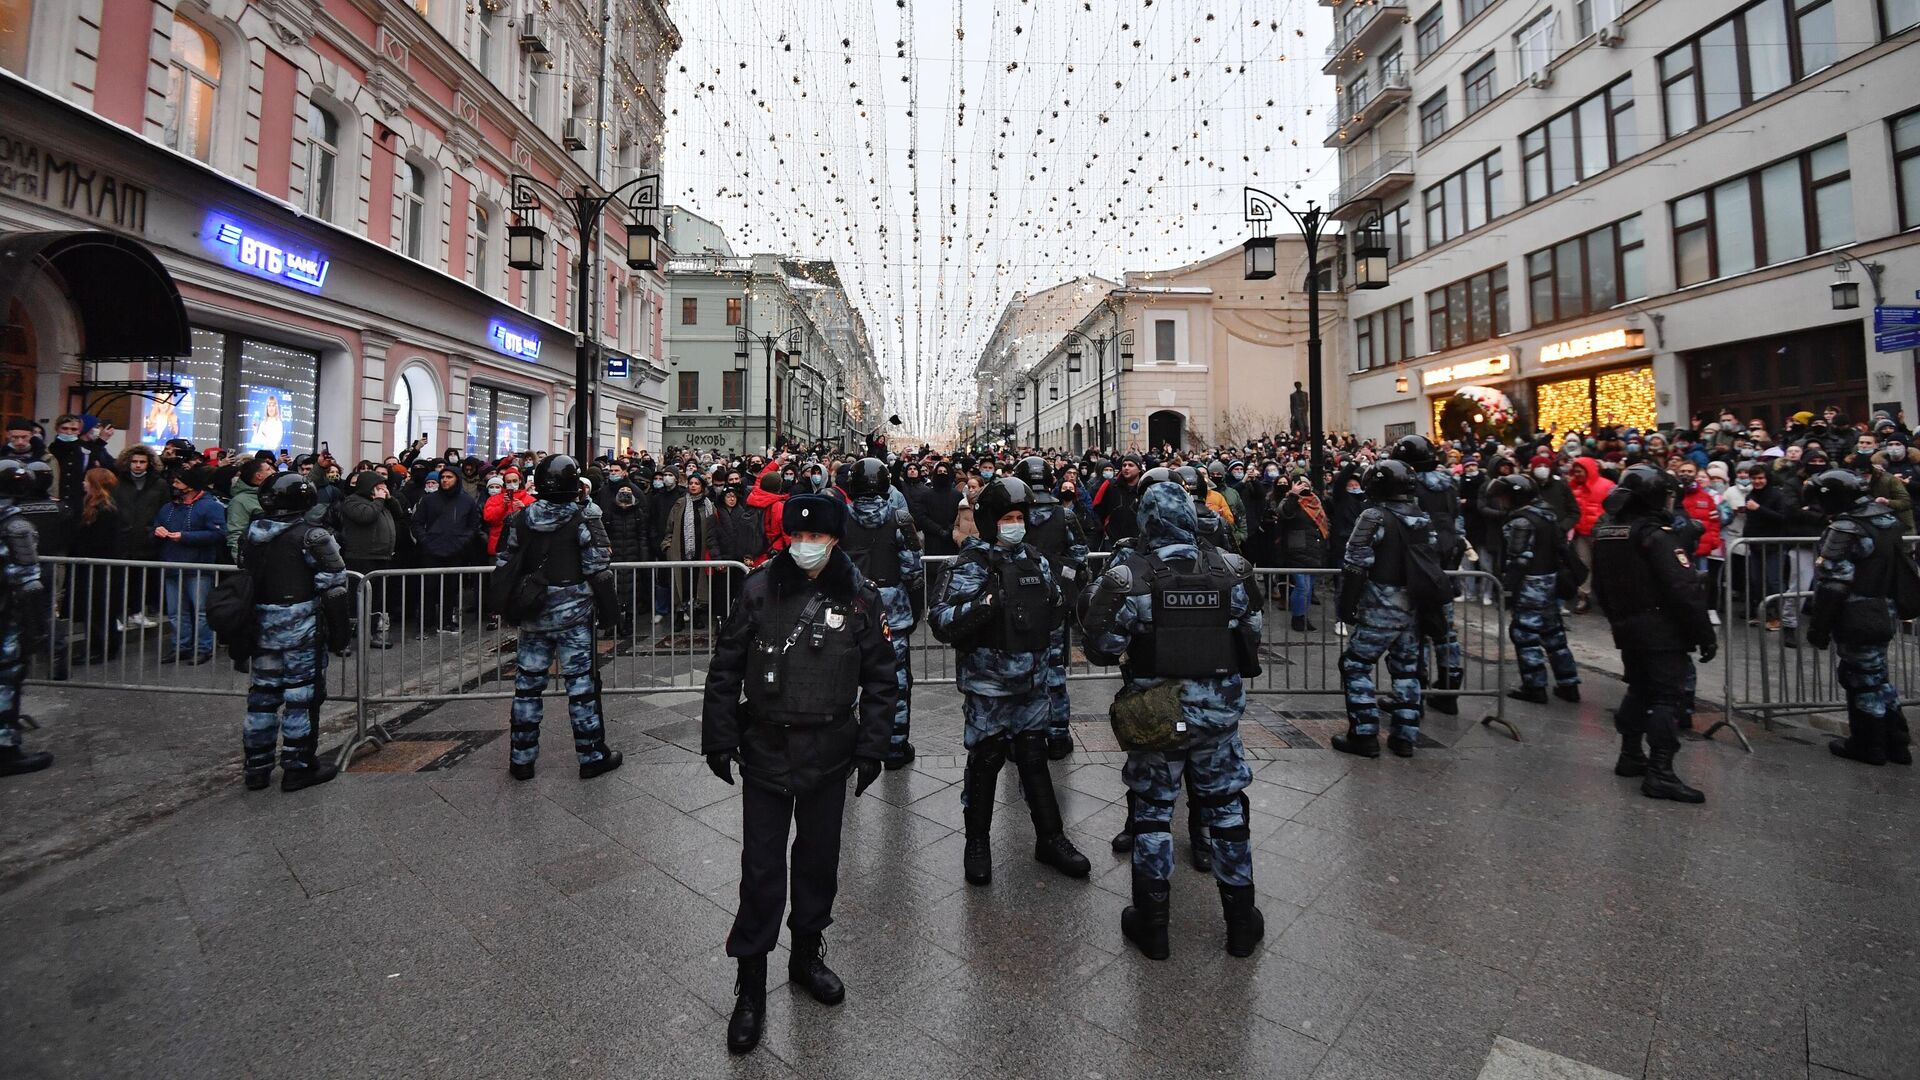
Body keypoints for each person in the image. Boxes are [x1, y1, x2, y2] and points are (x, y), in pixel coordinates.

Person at [700, 493, 897, 1055]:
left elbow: (882, 678)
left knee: (818, 860)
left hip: (829, 750)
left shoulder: (860, 597)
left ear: (835, 539)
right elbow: (726, 666)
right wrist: (718, 736)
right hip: (766, 746)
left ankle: (807, 954)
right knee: (761, 867)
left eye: (818, 538)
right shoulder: (760, 588)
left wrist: (872, 749)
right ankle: (751, 982)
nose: (806, 546)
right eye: (797, 537)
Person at [1080, 480, 1266, 959]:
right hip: (1218, 718)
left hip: (1158, 719)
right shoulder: (1231, 570)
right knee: (1227, 811)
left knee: (1153, 814)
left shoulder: (1129, 576)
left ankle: (1154, 925)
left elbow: (1102, 647)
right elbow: (1252, 636)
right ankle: (1241, 923)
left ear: (1145, 520)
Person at [931, 475, 1090, 887]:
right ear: (990, 520)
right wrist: (986, 605)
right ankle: (977, 843)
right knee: (984, 764)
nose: (1015, 524)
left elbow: (1055, 605)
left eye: (1020, 517)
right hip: (989, 686)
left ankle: (1051, 838)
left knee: (1035, 761)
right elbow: (941, 621)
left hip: (1032, 683)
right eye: (1007, 518)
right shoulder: (969, 565)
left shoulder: (1034, 559)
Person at [491, 455, 623, 781]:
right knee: (581, 688)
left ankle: (522, 758)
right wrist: (610, 612)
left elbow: (506, 563)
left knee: (527, 687)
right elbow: (596, 568)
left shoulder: (521, 520)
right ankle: (591, 755)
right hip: (574, 614)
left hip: (533, 613)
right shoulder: (580, 520)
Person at [1590, 464, 1715, 803]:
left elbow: (1598, 586)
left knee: (1639, 688)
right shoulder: (1656, 535)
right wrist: (1704, 633)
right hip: (1660, 628)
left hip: (1627, 625)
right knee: (1665, 697)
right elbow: (1683, 588)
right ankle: (1661, 772)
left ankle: (1630, 754)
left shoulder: (1607, 532)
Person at [237, 473, 350, 791]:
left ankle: (256, 767)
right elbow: (334, 587)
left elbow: (244, 572)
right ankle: (298, 766)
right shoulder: (313, 536)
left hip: (262, 627)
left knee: (262, 697)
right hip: (301, 628)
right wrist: (341, 632)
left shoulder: (250, 534)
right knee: (302, 698)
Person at [1803, 469, 1912, 766]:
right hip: (1884, 608)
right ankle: (1897, 742)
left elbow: (1833, 584)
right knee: (1877, 676)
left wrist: (1819, 627)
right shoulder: (1885, 520)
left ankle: (1869, 745)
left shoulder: (1846, 528)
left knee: (1861, 679)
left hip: (1857, 613)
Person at [1333, 460, 1441, 758]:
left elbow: (1355, 563)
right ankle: (1404, 737)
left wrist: (1346, 607)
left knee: (1355, 665)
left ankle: (1364, 733)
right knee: (1407, 670)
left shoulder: (1373, 516)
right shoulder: (1421, 517)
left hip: (1381, 605)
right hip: (1413, 607)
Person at [840, 458, 924, 769]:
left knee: (846, 677)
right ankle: (894, 746)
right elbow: (914, 570)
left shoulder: (840, 516)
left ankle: (846, 749)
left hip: (850, 608)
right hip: (893, 611)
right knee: (895, 680)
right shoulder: (901, 518)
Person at [1013, 456, 1088, 760]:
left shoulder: (1012, 516)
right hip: (1054, 603)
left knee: (1020, 669)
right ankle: (1058, 735)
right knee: (1055, 670)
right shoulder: (1064, 515)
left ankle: (1024, 736)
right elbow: (1080, 556)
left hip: (1018, 604)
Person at [1490, 474, 1581, 705]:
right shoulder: (1547, 514)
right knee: (1554, 634)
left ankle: (1535, 686)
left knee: (1525, 634)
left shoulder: (1521, 521)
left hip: (1531, 583)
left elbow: (1519, 559)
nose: (1501, 501)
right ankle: (1569, 683)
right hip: (1550, 580)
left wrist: (1508, 589)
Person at [1393, 435, 1464, 716]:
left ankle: (1414, 695)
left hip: (1417, 566)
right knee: (1446, 632)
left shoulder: (1409, 486)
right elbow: (1458, 521)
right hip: (1445, 565)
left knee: (1415, 634)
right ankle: (1449, 689)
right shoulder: (1449, 484)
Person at [0, 460, 53, 776]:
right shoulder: (17, 526)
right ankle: (6, 749)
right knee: (7, 680)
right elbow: (28, 580)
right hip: (8, 615)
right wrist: (36, 627)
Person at [153, 465, 225, 664]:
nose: (174, 485)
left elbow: (218, 533)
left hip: (198, 566)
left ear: (191, 485)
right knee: (176, 612)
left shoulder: (210, 506)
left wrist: (185, 537)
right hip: (172, 563)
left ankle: (204, 647)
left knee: (201, 610)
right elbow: (156, 523)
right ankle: (181, 646)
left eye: (178, 482)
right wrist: (157, 529)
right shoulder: (169, 507)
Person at [410, 465, 482, 635]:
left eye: (449, 477)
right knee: (429, 588)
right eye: (443, 477)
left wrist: (461, 542)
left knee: (451, 588)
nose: (445, 480)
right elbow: (417, 523)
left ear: (457, 479)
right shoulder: (429, 500)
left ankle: (446, 621)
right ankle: (426, 624)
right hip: (431, 551)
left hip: (455, 551)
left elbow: (473, 526)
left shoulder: (467, 501)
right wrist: (426, 541)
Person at [71, 467, 124, 664]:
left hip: (99, 569)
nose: (83, 483)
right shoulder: (94, 506)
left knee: (100, 612)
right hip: (95, 568)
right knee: (96, 612)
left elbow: (100, 541)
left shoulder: (105, 510)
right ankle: (99, 647)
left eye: (87, 480)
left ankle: (102, 648)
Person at [225, 458, 274, 561]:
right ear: (259, 476)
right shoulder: (240, 501)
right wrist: (240, 560)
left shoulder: (273, 494)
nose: (273, 471)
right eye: (269, 469)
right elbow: (236, 533)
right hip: (256, 558)